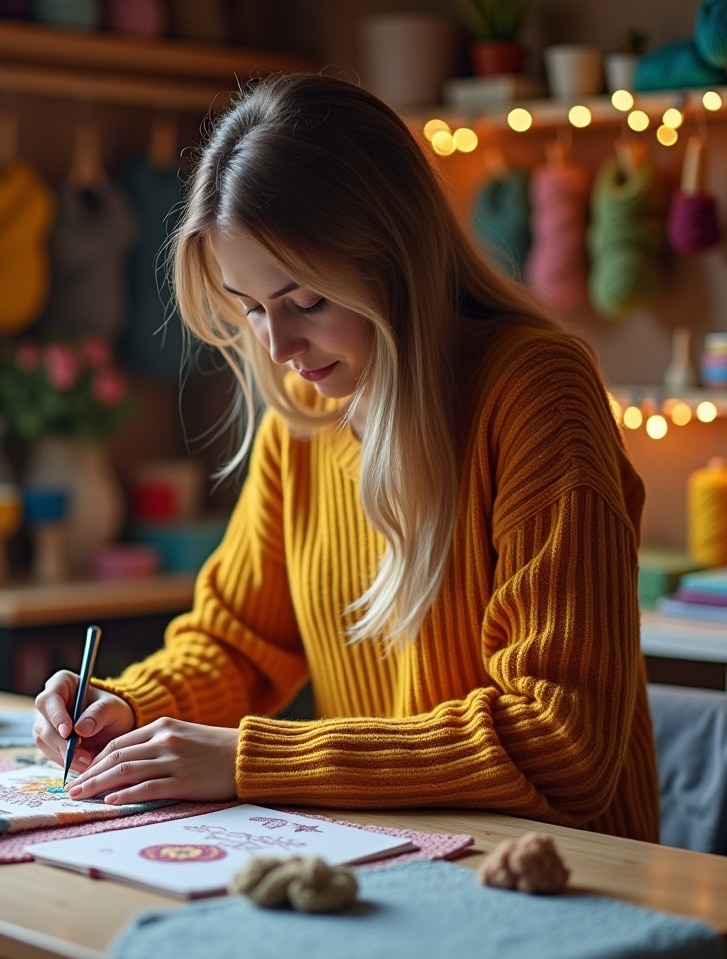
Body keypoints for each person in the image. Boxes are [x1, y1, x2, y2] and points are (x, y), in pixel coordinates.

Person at [33, 73, 660, 842]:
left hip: (570, 878)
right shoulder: (302, 419)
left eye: (305, 302)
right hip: (392, 861)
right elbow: (236, 645)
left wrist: (253, 760)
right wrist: (126, 708)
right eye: (251, 308)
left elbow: (562, 743)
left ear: (398, 256)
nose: (278, 346)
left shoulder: (536, 393)